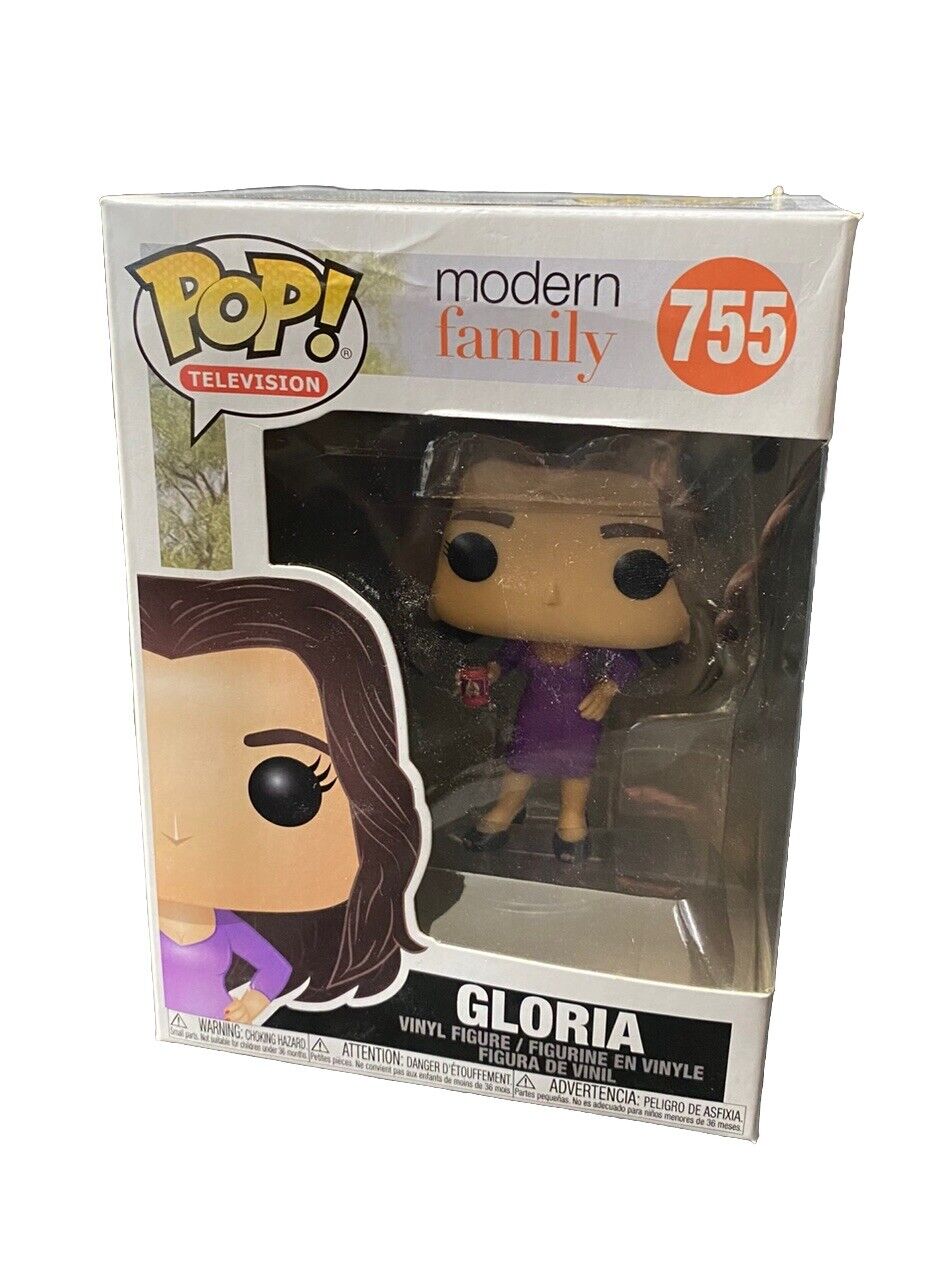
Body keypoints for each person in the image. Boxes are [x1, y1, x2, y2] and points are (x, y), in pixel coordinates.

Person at [139, 574, 426, 1020]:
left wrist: (255, 1000)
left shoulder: (228, 926)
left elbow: (274, 967)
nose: (177, 830)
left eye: (285, 786)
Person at [430, 459, 689, 861]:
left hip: (579, 718)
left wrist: (609, 687)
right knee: (521, 765)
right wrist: (487, 674)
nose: (552, 593)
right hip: (534, 716)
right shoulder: (526, 641)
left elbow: (626, 661)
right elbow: (504, 660)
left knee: (576, 771)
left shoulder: (595, 644)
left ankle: (571, 820)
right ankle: (507, 810)